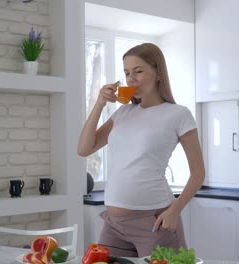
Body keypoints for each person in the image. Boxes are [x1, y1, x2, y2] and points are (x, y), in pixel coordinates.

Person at [77, 43, 205, 257]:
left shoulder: (178, 114)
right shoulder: (123, 113)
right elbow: (84, 149)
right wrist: (99, 103)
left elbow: (198, 173)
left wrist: (174, 210)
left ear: (157, 73)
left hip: (154, 221)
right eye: (127, 73)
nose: (131, 79)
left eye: (138, 71)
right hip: (114, 223)